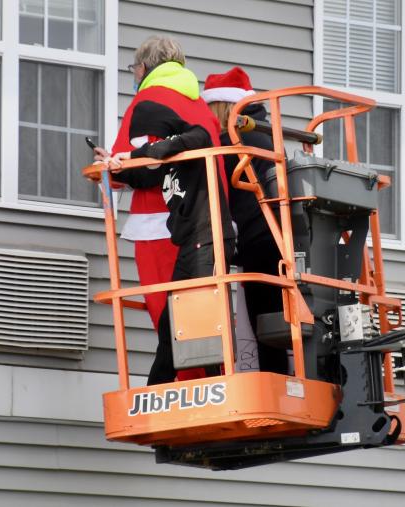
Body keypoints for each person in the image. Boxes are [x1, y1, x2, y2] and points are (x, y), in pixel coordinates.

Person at [97, 36, 234, 384]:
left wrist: (112, 169)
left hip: (160, 224)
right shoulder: (198, 104)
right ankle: (206, 381)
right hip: (208, 222)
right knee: (200, 316)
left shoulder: (148, 100)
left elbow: (142, 170)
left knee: (168, 316)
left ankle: (182, 390)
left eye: (134, 69)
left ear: (143, 68)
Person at [203, 67, 289, 375]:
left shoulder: (233, 140)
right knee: (277, 324)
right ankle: (280, 381)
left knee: (264, 325)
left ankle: (274, 385)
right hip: (279, 238)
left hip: (258, 241)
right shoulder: (265, 133)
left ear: (223, 106)